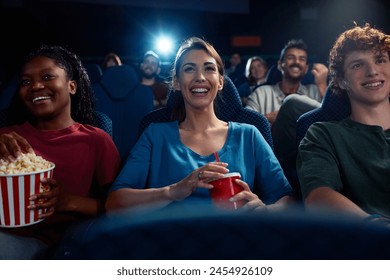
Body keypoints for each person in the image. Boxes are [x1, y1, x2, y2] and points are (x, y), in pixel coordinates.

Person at [105, 37, 295, 213]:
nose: (200, 77)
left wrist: (265, 210)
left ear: (220, 82)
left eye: (209, 68)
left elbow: (287, 200)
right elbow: (114, 204)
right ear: (177, 82)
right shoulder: (155, 134)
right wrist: (173, 191)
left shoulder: (249, 135)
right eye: (189, 69)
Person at [0, 45, 121, 259]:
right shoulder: (6, 136)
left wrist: (68, 202)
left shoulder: (95, 139)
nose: (36, 86)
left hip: (69, 242)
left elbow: (119, 208)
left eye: (47, 76)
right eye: (25, 82)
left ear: (72, 86)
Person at [296, 23, 390, 223]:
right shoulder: (323, 134)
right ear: (340, 80)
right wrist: (377, 227)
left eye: (380, 60)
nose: (372, 71)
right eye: (357, 65)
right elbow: (317, 197)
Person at [245, 39, 329, 167]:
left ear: (306, 68)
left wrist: (322, 85)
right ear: (280, 65)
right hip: (270, 158)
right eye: (291, 57)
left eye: (301, 59)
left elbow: (330, 119)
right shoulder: (261, 92)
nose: (296, 62)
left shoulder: (315, 90)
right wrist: (272, 119)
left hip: (311, 157)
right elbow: (246, 125)